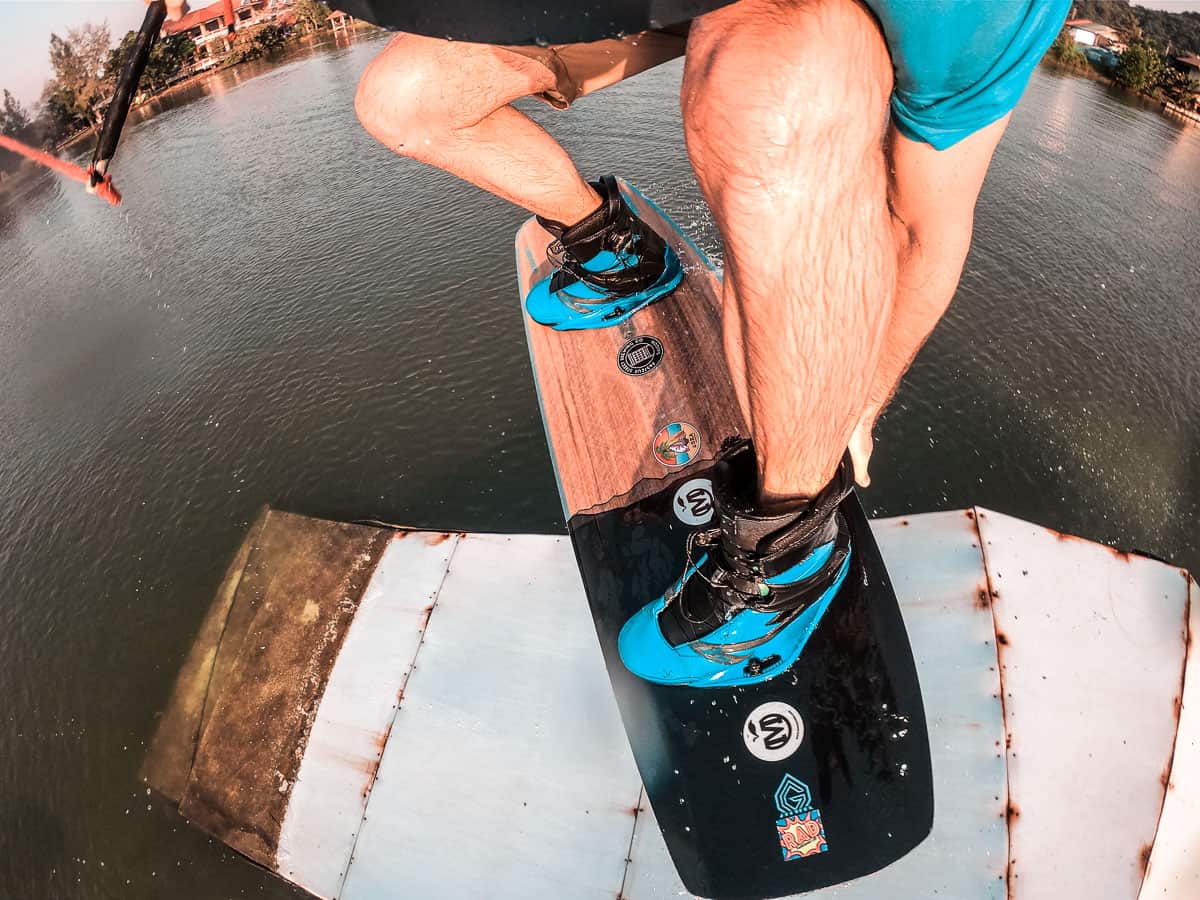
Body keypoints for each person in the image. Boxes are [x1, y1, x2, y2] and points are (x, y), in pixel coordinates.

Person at [163, 0, 1072, 686]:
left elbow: (926, 226)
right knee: (405, 98)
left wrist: (862, 396)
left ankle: (788, 549)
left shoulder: (967, 18)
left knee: (767, 76)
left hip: (824, 39)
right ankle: (617, 249)